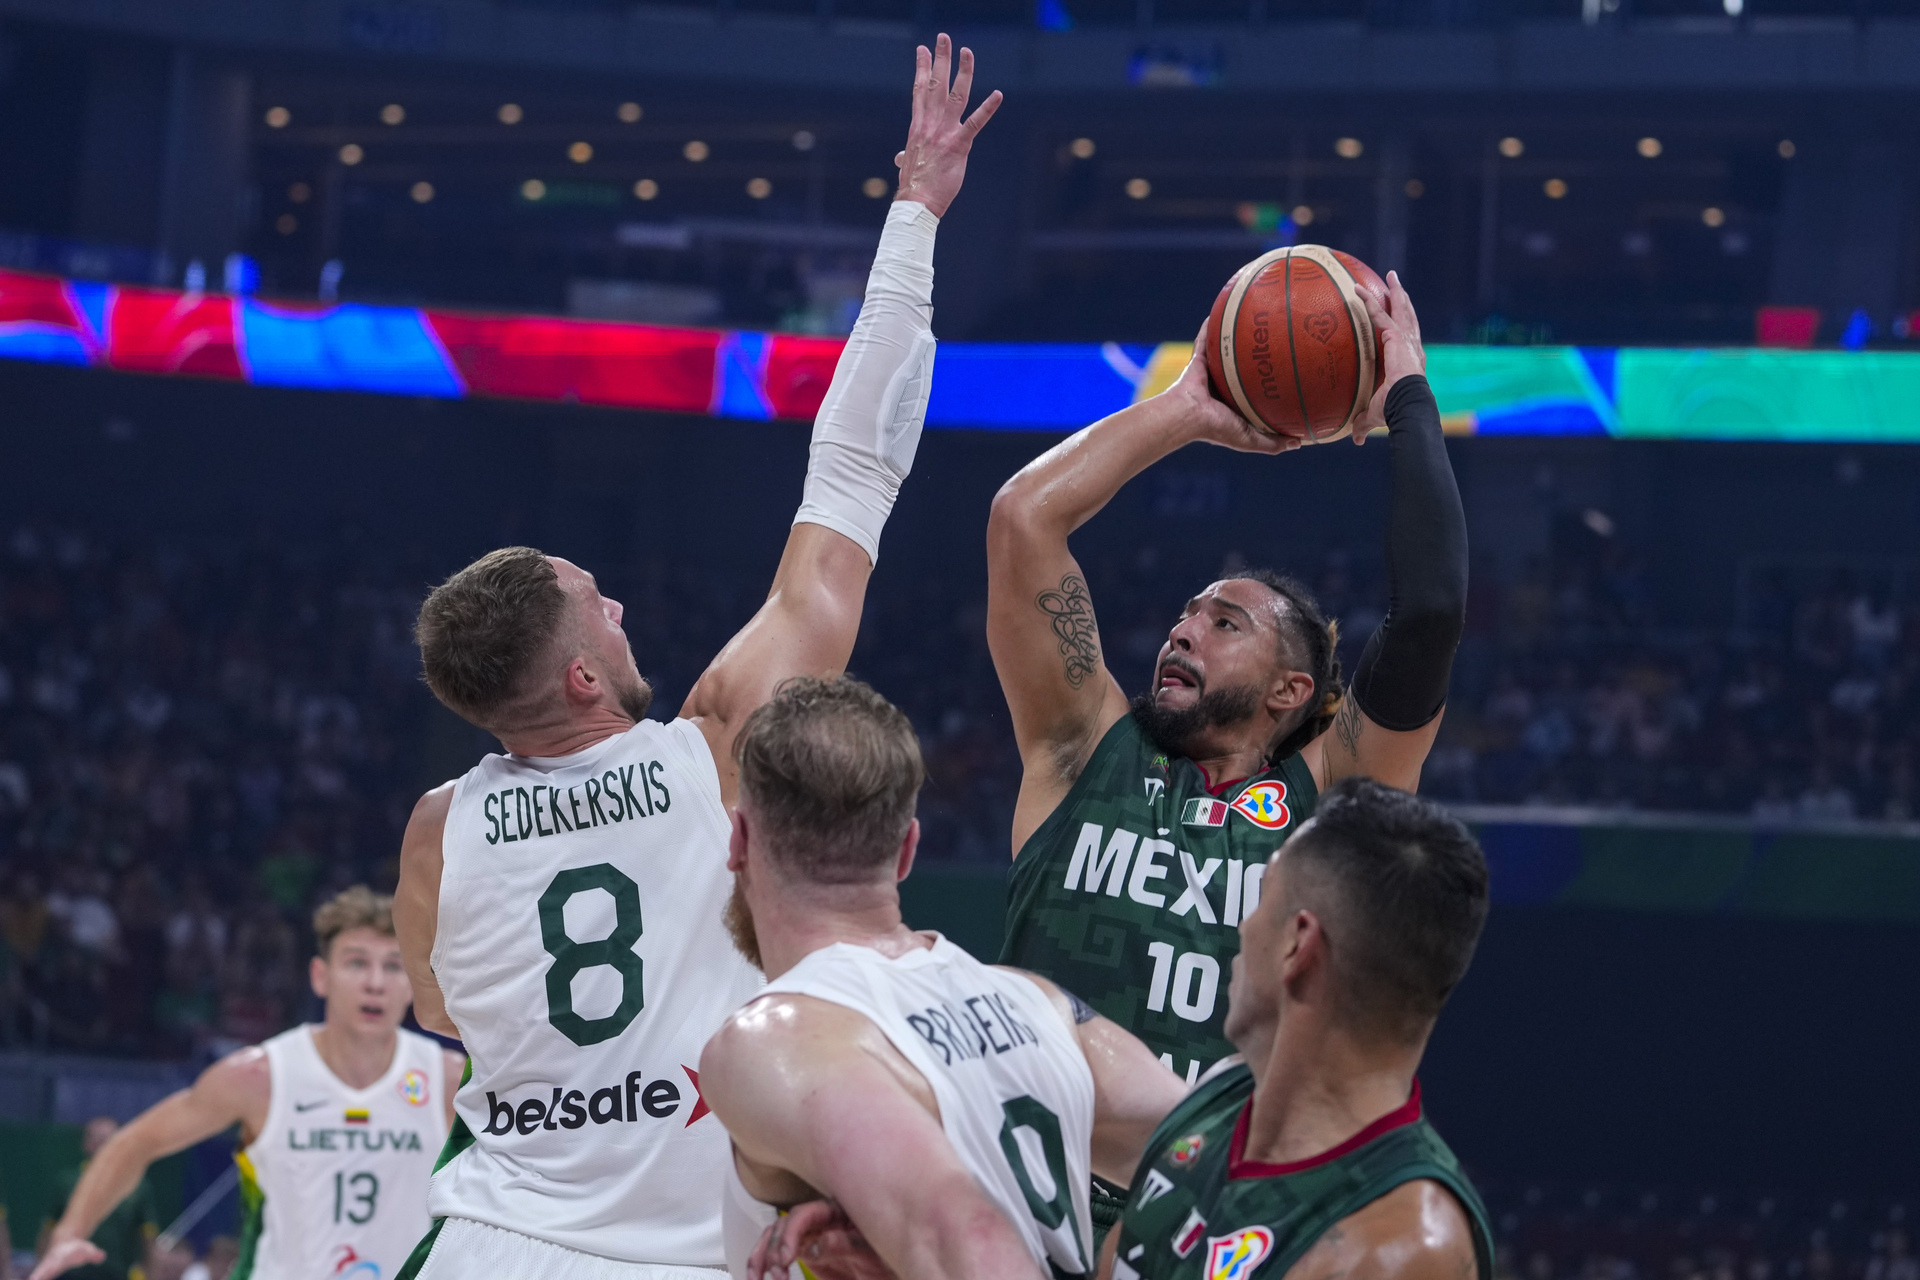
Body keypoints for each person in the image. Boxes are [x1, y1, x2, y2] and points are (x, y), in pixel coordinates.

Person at [390, 38, 1001, 1280]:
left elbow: (443, 1013)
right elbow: (853, 478)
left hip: (490, 1240)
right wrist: (915, 219)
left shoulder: (437, 826)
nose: (617, 598)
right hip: (680, 1255)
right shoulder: (715, 748)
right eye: (594, 604)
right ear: (575, 676)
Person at [987, 274, 1469, 1091]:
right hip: (1032, 1192)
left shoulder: (1332, 805)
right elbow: (1023, 518)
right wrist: (1187, 411)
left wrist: (1408, 400)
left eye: (1225, 623)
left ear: (1289, 689)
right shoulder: (1086, 748)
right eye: (1188, 615)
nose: (1183, 630)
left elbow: (1429, 609)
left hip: (1210, 1205)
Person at [697, 677, 1187, 1280]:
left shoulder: (771, 1039)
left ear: (739, 839)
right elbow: (1228, 1158)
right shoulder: (1039, 1003)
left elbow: (968, 1236)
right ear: (907, 850)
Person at [1099, 777, 1494, 1280]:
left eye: (1261, 898)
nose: (1243, 926)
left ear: (1298, 944)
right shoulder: (1218, 1100)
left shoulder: (1400, 1248)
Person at [31, 888, 459, 1280]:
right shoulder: (261, 1076)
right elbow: (135, 1142)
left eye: (393, 966)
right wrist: (71, 1230)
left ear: (412, 983)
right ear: (319, 976)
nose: (375, 983)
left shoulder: (446, 1079)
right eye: (357, 962)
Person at [36, 1118, 158, 1280]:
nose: (102, 1145)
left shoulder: (136, 1186)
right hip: (70, 1274)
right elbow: (48, 1231)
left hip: (117, 1273)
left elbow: (147, 1239)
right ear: (85, 1143)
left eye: (108, 1139)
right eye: (96, 1139)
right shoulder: (67, 1183)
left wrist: (152, 1274)